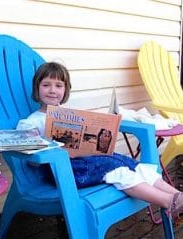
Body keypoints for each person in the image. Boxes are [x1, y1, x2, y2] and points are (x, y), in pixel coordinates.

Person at [16, 61, 183, 219]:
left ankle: (176, 196)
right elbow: (32, 162)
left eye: (58, 85)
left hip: (84, 162)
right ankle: (168, 202)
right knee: (118, 171)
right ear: (37, 89)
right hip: (64, 172)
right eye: (46, 85)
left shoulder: (70, 116)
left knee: (130, 163)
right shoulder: (30, 123)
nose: (52, 90)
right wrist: (47, 146)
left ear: (65, 90)